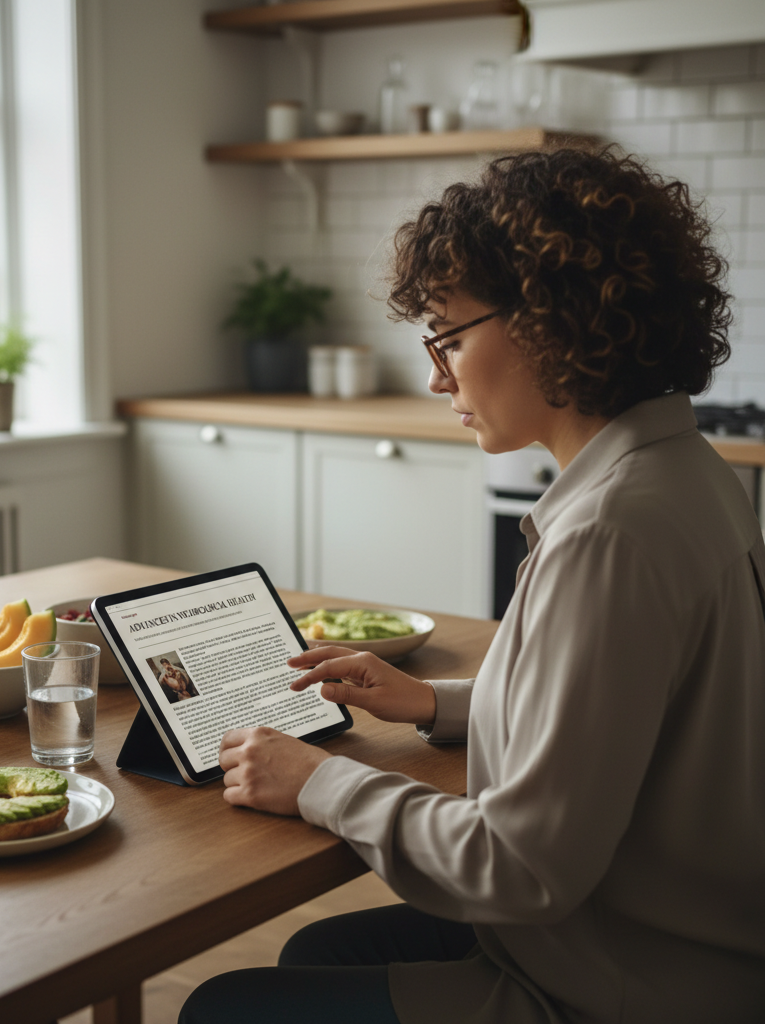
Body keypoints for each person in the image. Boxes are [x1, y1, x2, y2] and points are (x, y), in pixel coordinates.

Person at [179, 148, 765, 1024]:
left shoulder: (609, 531)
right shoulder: (688, 474)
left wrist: (314, 782)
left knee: (222, 1009)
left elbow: (521, 867)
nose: (435, 375)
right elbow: (621, 716)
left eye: (450, 338)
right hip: (674, 939)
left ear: (552, 322)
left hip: (620, 983)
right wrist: (435, 704)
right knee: (315, 950)